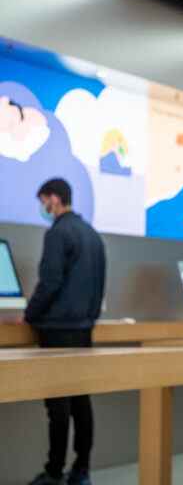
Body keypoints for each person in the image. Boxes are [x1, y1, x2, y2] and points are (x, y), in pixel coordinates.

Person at [25, 178, 106, 485]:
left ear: (55, 199)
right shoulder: (93, 236)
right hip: (84, 329)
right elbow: (99, 286)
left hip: (57, 331)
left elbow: (50, 282)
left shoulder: (58, 233)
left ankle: (54, 472)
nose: (43, 208)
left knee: (58, 405)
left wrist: (29, 315)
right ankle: (81, 469)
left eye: (44, 200)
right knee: (80, 401)